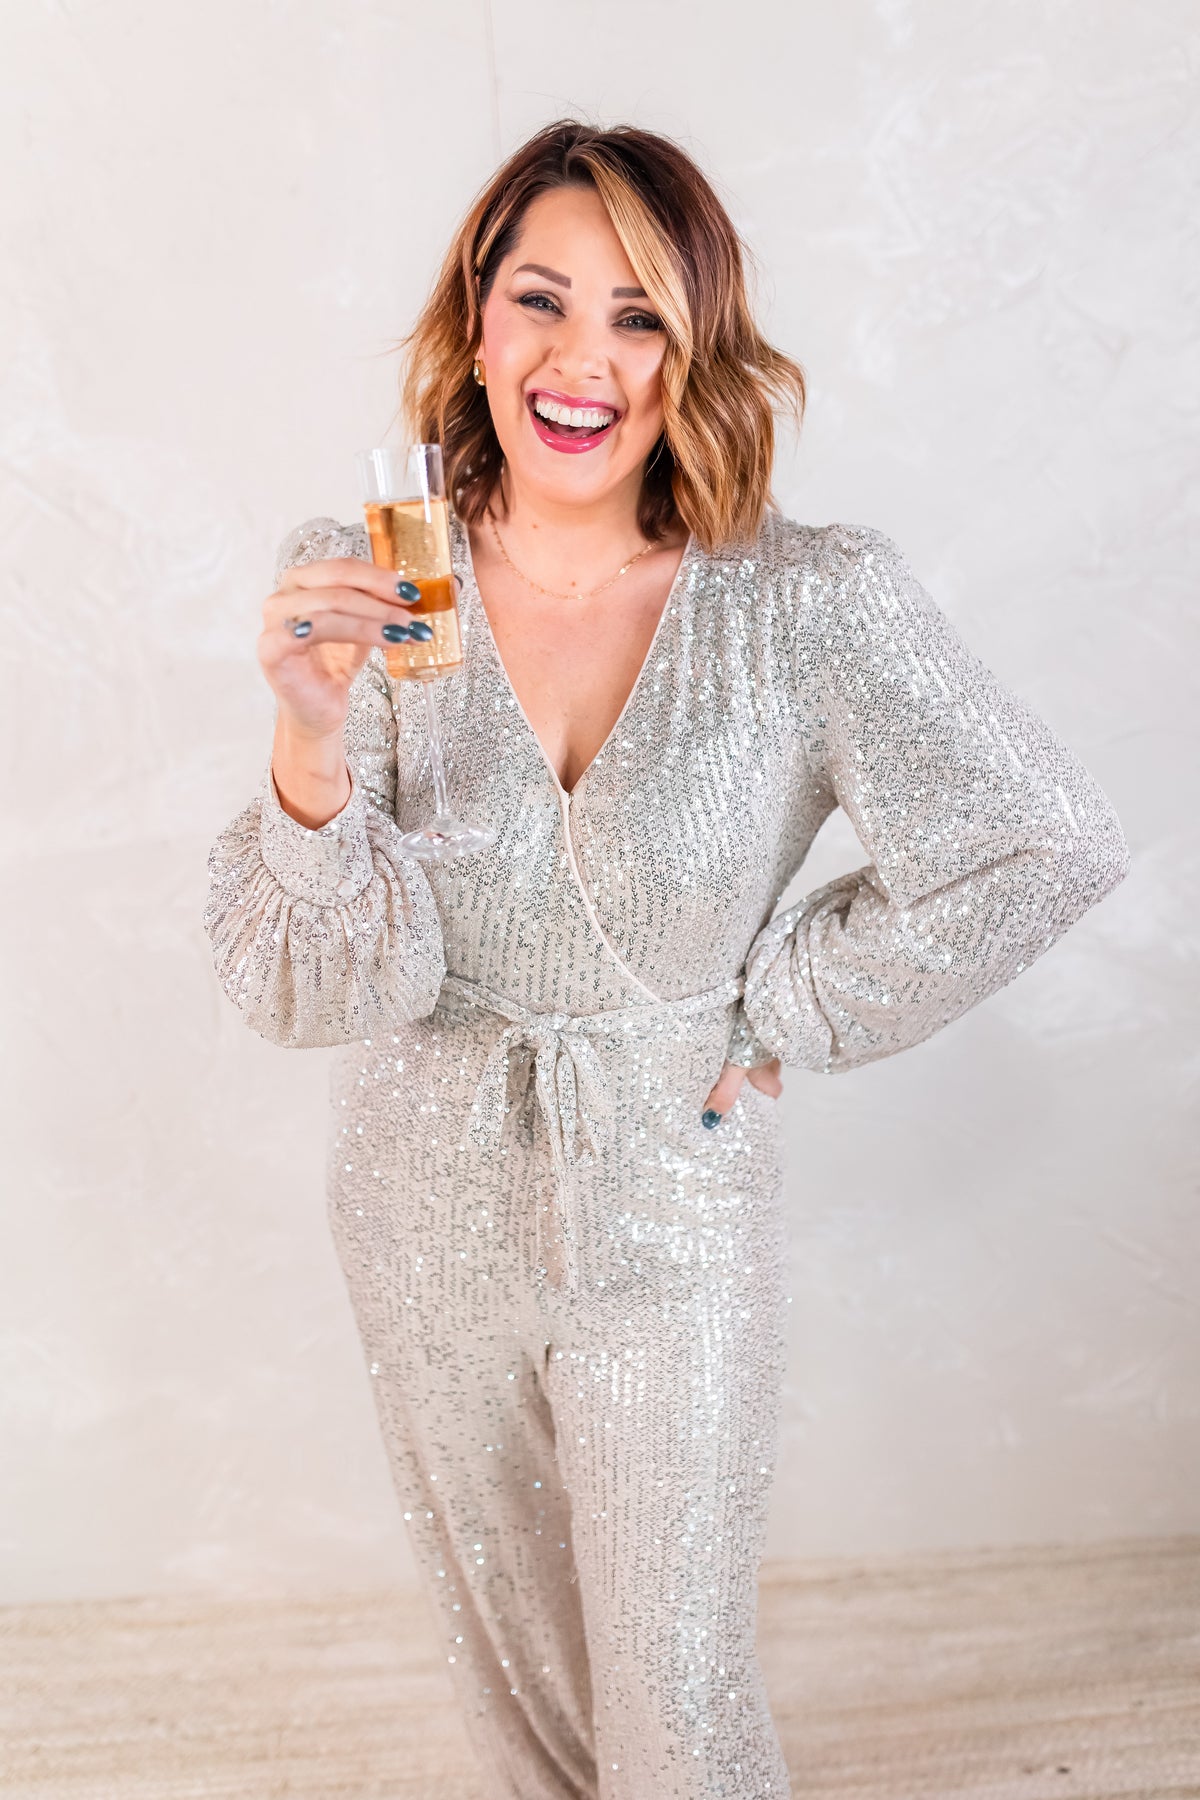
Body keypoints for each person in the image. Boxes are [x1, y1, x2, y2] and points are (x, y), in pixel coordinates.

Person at [203, 119, 1130, 1800]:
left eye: (638, 314)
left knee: (677, 1700)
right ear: (476, 316)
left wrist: (789, 1008)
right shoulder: (374, 580)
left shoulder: (806, 602)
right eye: (543, 299)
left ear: (693, 344)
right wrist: (309, 743)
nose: (583, 359)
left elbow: (1038, 836)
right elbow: (317, 992)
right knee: (523, 1694)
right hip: (420, 1201)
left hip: (674, 1204)